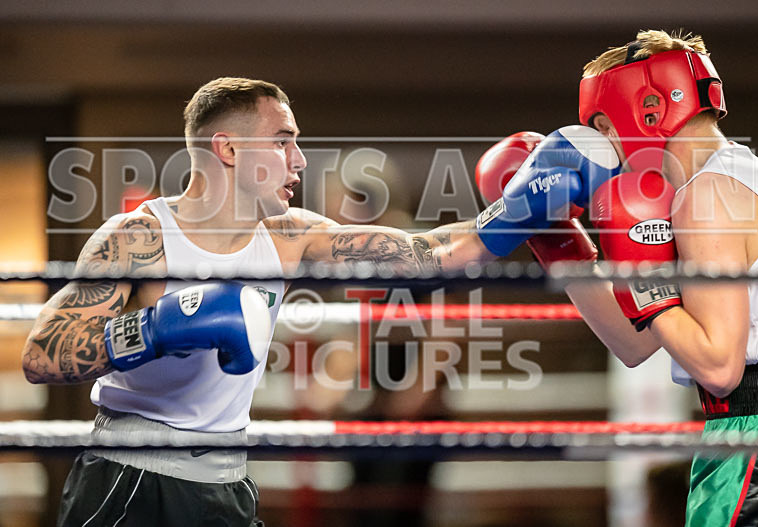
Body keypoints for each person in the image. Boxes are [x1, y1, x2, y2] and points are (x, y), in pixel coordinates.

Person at [21, 77, 619, 526]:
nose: (299, 161)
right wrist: (157, 329)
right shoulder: (140, 239)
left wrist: (515, 213)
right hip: (131, 479)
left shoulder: (290, 237)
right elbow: (42, 355)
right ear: (228, 150)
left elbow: (427, 253)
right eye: (282, 142)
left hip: (226, 483)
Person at [535, 30, 758, 525]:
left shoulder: (706, 197)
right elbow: (635, 343)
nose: (606, 150)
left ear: (648, 111)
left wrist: (642, 277)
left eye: (602, 128)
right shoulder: (743, 176)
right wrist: (556, 240)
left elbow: (719, 367)